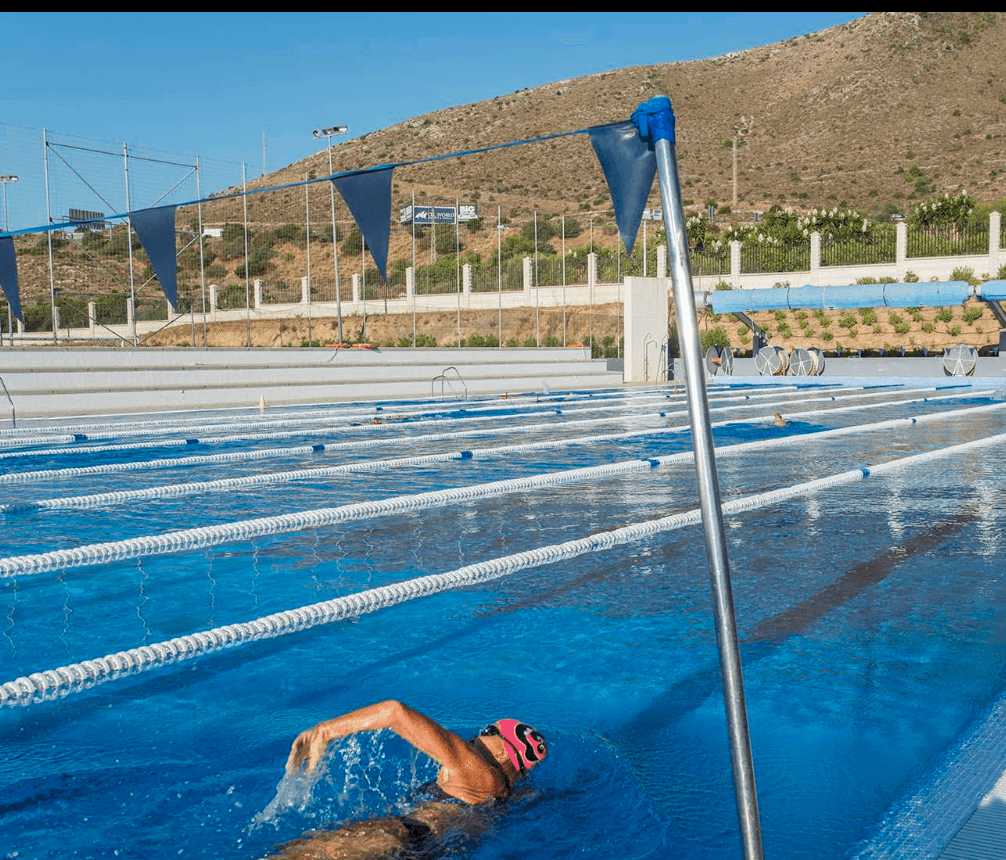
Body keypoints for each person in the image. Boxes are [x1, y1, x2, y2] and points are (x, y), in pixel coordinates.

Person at [273, 700, 546, 859]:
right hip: (422, 848)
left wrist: (323, 731)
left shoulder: (477, 771)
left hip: (397, 835)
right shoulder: (507, 792)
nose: (476, 735)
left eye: (489, 730)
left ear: (502, 753)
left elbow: (395, 712)